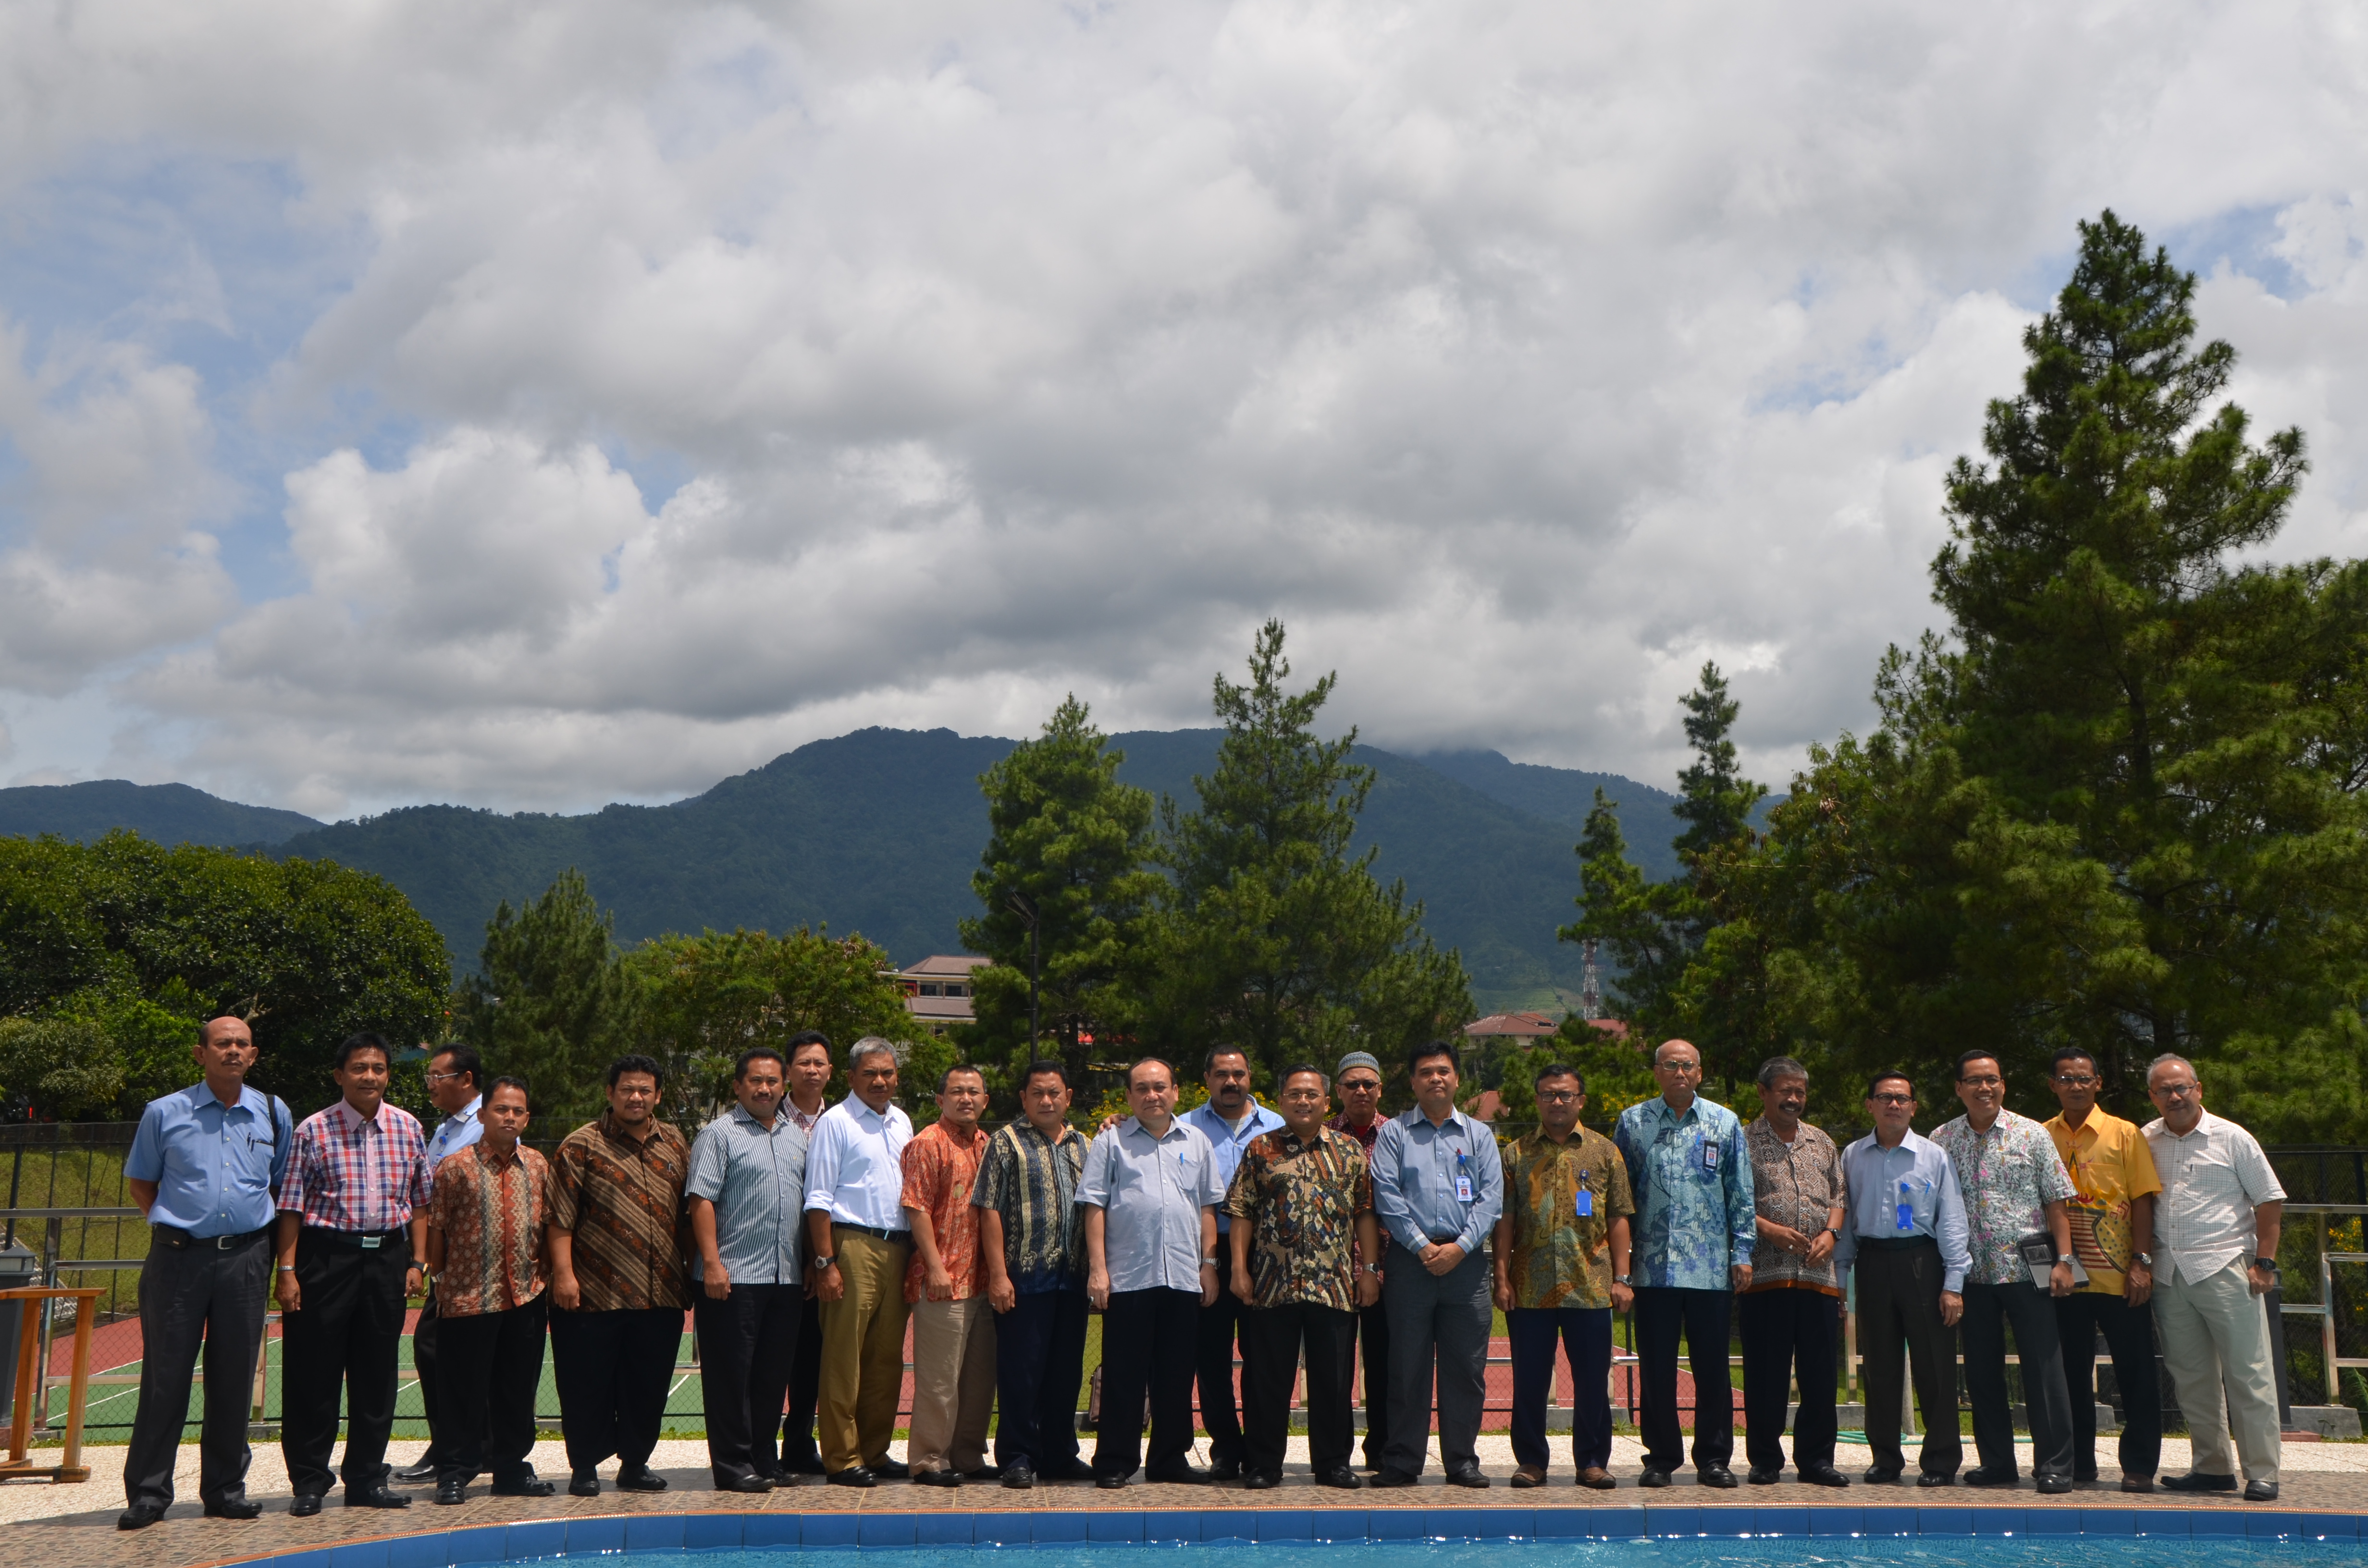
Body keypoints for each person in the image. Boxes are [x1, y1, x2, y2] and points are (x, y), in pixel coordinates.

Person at [117, 1017, 294, 1531]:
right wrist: (182, 1230)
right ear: (201, 1054)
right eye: (222, 1043)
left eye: (242, 1044)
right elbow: (142, 1185)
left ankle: (225, 1489)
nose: (232, 1051)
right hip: (179, 1259)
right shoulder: (164, 1112)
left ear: (253, 1055)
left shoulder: (273, 1112)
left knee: (235, 1377)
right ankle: (149, 1494)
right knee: (165, 1378)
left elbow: (281, 1187)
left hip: (246, 1259)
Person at [274, 1032, 432, 1517]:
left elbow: (421, 1202)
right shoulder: (313, 1130)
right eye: (359, 1068)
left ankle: (366, 1478)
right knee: (312, 1374)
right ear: (339, 1075)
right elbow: (291, 1206)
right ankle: (309, 1480)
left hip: (387, 1260)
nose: (369, 1077)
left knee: (376, 1376)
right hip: (326, 1260)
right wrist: (287, 1271)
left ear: (388, 1075)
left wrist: (417, 1262)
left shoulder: (407, 1127)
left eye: (378, 1068)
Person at [1224, 1064, 1379, 1491]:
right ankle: (1264, 1464)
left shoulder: (1349, 1151)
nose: (1303, 1101)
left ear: (1327, 1102)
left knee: (1335, 1384)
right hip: (1272, 1286)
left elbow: (1365, 1213)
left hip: (1334, 1287)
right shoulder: (1261, 1148)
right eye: (1294, 1094)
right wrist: (1239, 1270)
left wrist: (1369, 1270)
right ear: (1281, 1101)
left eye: (1312, 1094)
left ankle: (1333, 1464)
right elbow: (1241, 1213)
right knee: (1268, 1382)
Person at [1931, 1050, 2079, 1494]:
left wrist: (2066, 1262)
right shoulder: (1942, 1139)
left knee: (2044, 1370)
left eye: (1992, 1079)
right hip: (1971, 1273)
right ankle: (1997, 1463)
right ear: (1959, 1089)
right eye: (1975, 1081)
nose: (1985, 1088)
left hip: (2030, 1268)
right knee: (1981, 1373)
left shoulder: (2032, 1134)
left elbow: (2057, 1202)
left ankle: (2055, 1465)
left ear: (2003, 1085)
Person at [2142, 1054, 2286, 1502]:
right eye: (2164, 1090)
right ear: (2153, 1097)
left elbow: (2269, 1200)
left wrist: (2265, 1263)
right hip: (2169, 1273)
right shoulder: (2145, 1139)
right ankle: (2212, 1467)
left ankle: (2262, 1471)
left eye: (2182, 1087)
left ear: (2198, 1089)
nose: (2175, 1096)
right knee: (2191, 1377)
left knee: (2249, 1373)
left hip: (2226, 1267)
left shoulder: (2232, 1137)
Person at [548, 1053, 692, 1497]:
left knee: (647, 1386)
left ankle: (635, 1464)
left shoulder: (675, 1142)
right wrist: (564, 1275)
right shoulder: (581, 1145)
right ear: (610, 1093)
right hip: (594, 1292)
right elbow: (559, 1218)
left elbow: (687, 1213)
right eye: (627, 1089)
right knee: (585, 1385)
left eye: (645, 1090)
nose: (636, 1097)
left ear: (658, 1096)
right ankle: (584, 1467)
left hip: (661, 1291)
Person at [1613, 1038, 1754, 1489]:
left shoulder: (1724, 1122)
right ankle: (1661, 1458)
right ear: (1657, 1072)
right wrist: (1621, 1267)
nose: (1679, 1073)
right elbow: (1619, 1197)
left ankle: (1714, 1458)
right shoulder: (1633, 1122)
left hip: (1709, 1269)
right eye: (1670, 1065)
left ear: (1699, 1073)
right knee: (1656, 1369)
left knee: (1713, 1368)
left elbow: (1740, 1192)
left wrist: (1742, 1253)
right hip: (1652, 1269)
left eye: (1687, 1065)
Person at [1079, 1056, 1225, 1489]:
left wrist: (1209, 1265)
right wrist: (1098, 1270)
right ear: (1128, 1096)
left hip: (1183, 1275)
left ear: (1176, 1092)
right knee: (1124, 1374)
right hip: (1129, 1276)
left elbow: (1207, 1206)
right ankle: (1114, 1461)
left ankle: (1168, 1460)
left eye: (1160, 1086)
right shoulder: (1110, 1142)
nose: (1152, 1095)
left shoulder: (1196, 1142)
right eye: (1141, 1088)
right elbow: (1094, 1206)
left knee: (1176, 1375)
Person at [1492, 1062, 1633, 1491]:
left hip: (1590, 1285)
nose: (1557, 1101)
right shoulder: (1516, 1154)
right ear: (1537, 1100)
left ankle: (1592, 1461)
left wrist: (1623, 1278)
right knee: (1529, 1381)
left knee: (1592, 1382)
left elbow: (1619, 1218)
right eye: (1548, 1094)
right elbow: (1505, 1220)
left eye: (1566, 1094)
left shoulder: (1605, 1152)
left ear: (1581, 1101)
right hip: (1529, 1287)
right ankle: (1531, 1461)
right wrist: (1501, 1276)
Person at [1369, 1039, 1502, 1489]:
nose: (1435, 1079)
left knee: (1466, 1368)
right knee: (1407, 1367)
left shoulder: (1479, 1136)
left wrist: (1460, 1248)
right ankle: (1403, 1460)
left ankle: (1461, 1460)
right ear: (1413, 1082)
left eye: (1443, 1071)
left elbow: (1491, 1200)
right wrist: (1423, 1247)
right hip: (1410, 1263)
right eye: (1425, 1072)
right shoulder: (1394, 1134)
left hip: (1467, 1265)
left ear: (1457, 1079)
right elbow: (1387, 1195)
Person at [422, 1076, 555, 1505]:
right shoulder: (455, 1167)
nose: (509, 1117)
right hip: (468, 1298)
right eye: (501, 1109)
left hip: (524, 1296)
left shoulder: (538, 1165)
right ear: (482, 1115)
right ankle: (454, 1473)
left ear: (527, 1118)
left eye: (517, 1111)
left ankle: (511, 1469)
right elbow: (437, 1230)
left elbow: (547, 1225)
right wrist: (440, 1280)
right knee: (461, 1392)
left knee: (517, 1391)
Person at [1835, 1070, 1969, 1486]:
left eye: (1902, 1099)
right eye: (1884, 1097)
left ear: (1914, 1107)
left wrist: (1953, 1284)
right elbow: (1846, 1221)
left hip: (1923, 1263)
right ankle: (1885, 1459)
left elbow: (1952, 1221)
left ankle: (1941, 1460)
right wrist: (1840, 1279)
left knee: (1935, 1366)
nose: (1894, 1105)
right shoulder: (1852, 1156)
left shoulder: (1934, 1156)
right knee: (1879, 1367)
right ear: (1869, 1105)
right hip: (1872, 1262)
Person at [2043, 1045, 2164, 1493]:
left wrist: (2141, 1262)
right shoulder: (2040, 1135)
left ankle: (2139, 1466)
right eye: (2066, 1079)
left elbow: (2143, 1199)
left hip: (2120, 1278)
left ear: (2098, 1083)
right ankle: (2077, 1462)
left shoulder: (2125, 1133)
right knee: (2068, 1375)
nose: (2075, 1086)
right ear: (2053, 1085)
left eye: (2084, 1078)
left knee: (2136, 1372)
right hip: (2065, 1278)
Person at [688, 1046, 808, 1494]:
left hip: (785, 1278)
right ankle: (733, 1466)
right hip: (733, 1278)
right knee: (730, 1379)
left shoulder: (796, 1137)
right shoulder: (718, 1135)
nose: (764, 1089)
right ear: (738, 1086)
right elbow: (701, 1201)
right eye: (755, 1081)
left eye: (773, 1081)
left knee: (771, 1378)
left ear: (784, 1086)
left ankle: (764, 1460)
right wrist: (712, 1264)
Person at [803, 1036, 916, 1487]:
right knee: (843, 1359)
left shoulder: (902, 1122)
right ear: (851, 1077)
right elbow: (818, 1198)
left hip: (899, 1247)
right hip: (851, 1246)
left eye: (887, 1072)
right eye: (869, 1073)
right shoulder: (836, 1122)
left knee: (886, 1361)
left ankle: (874, 1451)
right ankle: (843, 1458)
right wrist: (825, 1262)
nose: (879, 1081)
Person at [974, 1059, 1091, 1490]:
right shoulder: (1006, 1142)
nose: (1046, 1100)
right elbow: (989, 1209)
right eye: (1037, 1093)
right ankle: (1018, 1456)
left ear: (1068, 1097)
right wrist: (998, 1275)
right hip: (1024, 1278)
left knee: (1065, 1373)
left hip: (1072, 1278)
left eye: (1054, 1093)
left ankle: (1060, 1454)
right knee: (1021, 1373)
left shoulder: (1085, 1145)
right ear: (1023, 1098)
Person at [1739, 1055, 1849, 1488]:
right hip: (1766, 1276)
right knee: (1766, 1374)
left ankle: (1817, 1460)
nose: (1794, 1098)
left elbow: (1839, 1197)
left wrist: (1831, 1235)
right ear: (1763, 1092)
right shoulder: (1742, 1141)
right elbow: (1731, 1201)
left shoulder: (1821, 1141)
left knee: (1820, 1376)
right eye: (1785, 1090)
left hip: (1819, 1278)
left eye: (1800, 1092)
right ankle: (1766, 1459)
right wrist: (1768, 1229)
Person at [1181, 1046, 1284, 1481]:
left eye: (1238, 1073)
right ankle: (1225, 1447)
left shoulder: (1278, 1126)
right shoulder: (1185, 1126)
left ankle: (1261, 1449)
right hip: (1207, 1251)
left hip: (1266, 1252)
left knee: (1264, 1356)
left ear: (1250, 1077)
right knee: (1211, 1357)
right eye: (1221, 1074)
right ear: (1207, 1078)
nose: (1231, 1082)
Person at [394, 1042, 487, 1485]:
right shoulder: (449, 1127)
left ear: (465, 1080)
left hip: (470, 1260)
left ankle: (455, 1447)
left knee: (438, 1350)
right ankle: (460, 1444)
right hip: (443, 1256)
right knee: (438, 1350)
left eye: (438, 1076)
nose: (430, 1084)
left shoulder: (484, 1123)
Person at [901, 1064, 998, 1486]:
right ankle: (929, 1460)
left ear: (985, 1101)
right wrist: (936, 1267)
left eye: (973, 1092)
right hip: (943, 1282)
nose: (966, 1099)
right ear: (941, 1099)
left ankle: (967, 1456)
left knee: (978, 1381)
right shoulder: (928, 1143)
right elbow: (915, 1207)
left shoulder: (988, 1145)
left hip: (983, 1282)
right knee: (940, 1381)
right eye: (957, 1091)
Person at [775, 1030, 835, 1475]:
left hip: (826, 1259)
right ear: (788, 1071)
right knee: (773, 1360)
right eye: (803, 1063)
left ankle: (799, 1444)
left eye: (819, 1063)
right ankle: (760, 1448)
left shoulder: (842, 1121)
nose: (812, 1071)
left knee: (812, 1361)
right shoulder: (769, 1119)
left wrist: (820, 1260)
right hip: (773, 1257)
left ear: (831, 1071)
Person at [1327, 1049, 1391, 1470]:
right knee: (1335, 1370)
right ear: (1339, 1091)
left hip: (1387, 1269)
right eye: (1352, 1084)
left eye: (1369, 1084)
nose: (1361, 1091)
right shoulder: (1324, 1134)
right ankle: (1335, 1455)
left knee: (1385, 1365)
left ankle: (1383, 1449)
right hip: (1332, 1271)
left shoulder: (1397, 1135)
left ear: (1380, 1089)